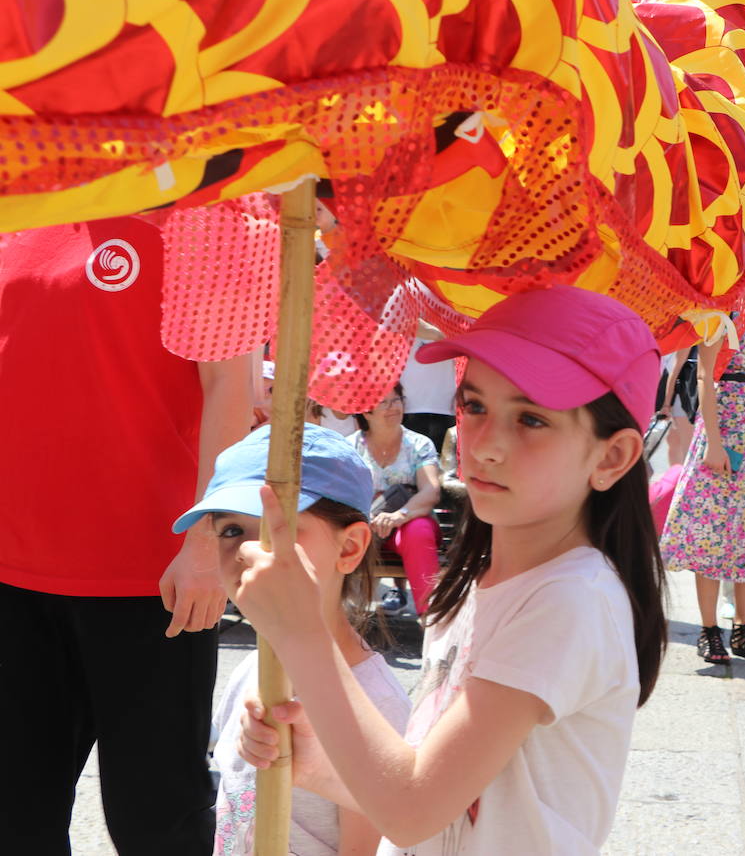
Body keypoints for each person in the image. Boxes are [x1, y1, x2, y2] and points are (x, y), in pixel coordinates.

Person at [230, 285, 668, 854]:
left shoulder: (571, 598)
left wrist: (301, 630)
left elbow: (412, 810)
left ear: (611, 457)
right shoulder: (479, 582)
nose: (484, 445)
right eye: (476, 405)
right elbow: (434, 797)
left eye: (531, 419)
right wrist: (314, 762)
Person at [0, 217, 252, 852]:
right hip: (13, 572)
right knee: (14, 814)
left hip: (153, 579)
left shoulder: (202, 218)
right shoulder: (20, 208)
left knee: (156, 817)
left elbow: (230, 385)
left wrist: (206, 540)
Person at [173, 425, 411, 855]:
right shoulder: (250, 669)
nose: (248, 552)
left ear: (349, 547)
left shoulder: (375, 704)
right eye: (230, 530)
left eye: (274, 531)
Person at [661, 277, 745, 663]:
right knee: (712, 533)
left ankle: (743, 629)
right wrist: (715, 443)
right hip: (725, 430)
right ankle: (709, 631)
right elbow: (705, 376)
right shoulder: (723, 309)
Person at [349, 383, 443, 615]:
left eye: (397, 400)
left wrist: (398, 516)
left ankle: (431, 618)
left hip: (406, 524)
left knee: (419, 529)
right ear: (366, 410)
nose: (393, 407)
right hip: (363, 526)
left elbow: (430, 491)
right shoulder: (349, 446)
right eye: (383, 402)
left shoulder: (419, 444)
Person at [400, 326, 458, 455]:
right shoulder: (402, 313)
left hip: (445, 410)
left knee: (444, 469)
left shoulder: (449, 314)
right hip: (409, 410)